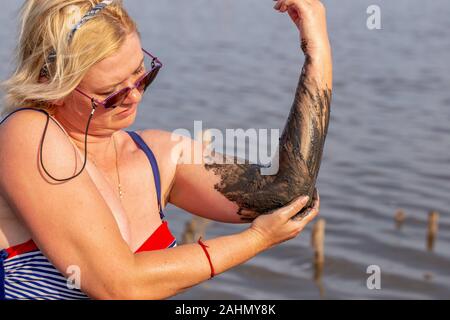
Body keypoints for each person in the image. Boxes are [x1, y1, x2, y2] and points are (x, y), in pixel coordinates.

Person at [0, 0, 331, 300]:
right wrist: (255, 240)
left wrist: (316, 51)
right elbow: (118, 286)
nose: (135, 96)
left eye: (142, 75)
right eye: (112, 93)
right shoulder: (27, 135)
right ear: (52, 87)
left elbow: (289, 192)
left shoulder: (158, 156)